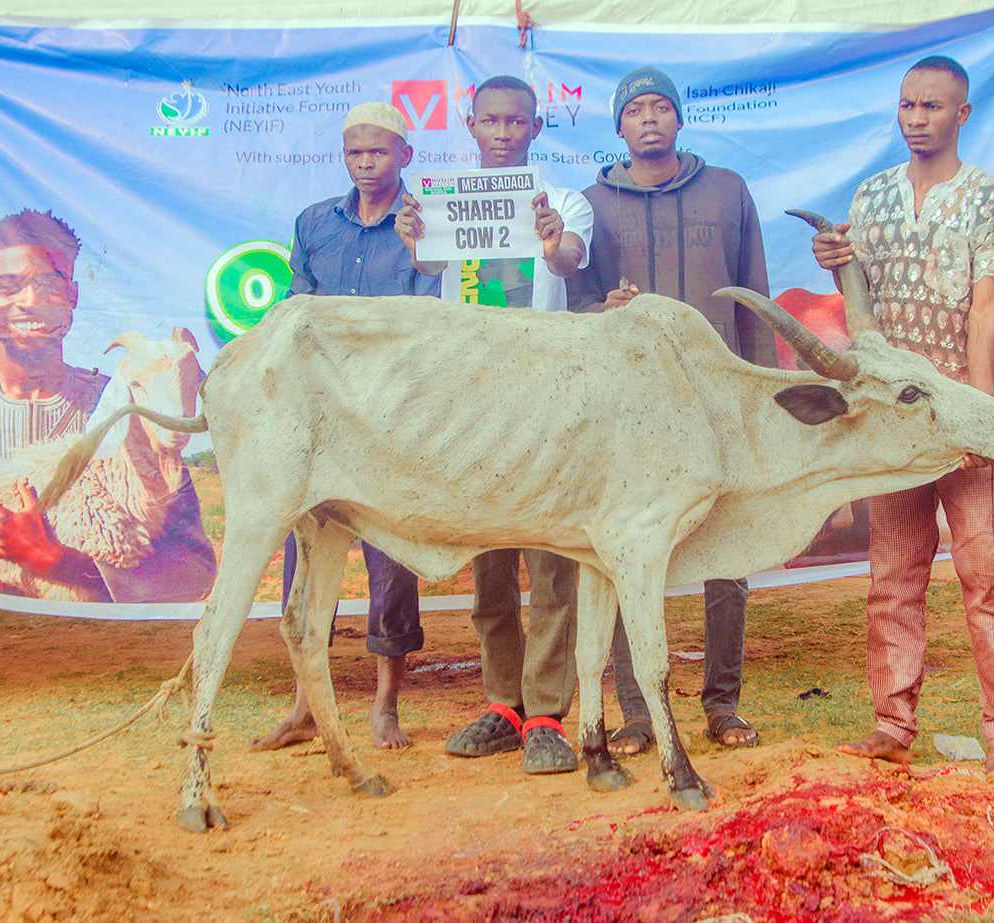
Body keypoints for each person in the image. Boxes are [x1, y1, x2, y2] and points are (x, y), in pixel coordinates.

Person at [811, 56, 994, 774]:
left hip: (964, 418)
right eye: (907, 106)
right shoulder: (871, 198)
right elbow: (861, 310)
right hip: (898, 425)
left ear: (962, 114)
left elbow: (989, 306)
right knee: (893, 576)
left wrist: (976, 416)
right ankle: (892, 725)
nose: (915, 119)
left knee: (987, 578)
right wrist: (833, 255)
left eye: (931, 107)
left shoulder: (989, 200)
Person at [567, 65, 776, 755]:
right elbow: (578, 307)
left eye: (661, 106)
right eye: (636, 110)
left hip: (718, 399)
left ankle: (723, 703)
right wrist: (607, 309)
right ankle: (633, 711)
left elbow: (755, 294)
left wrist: (763, 395)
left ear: (679, 119)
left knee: (730, 552)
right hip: (629, 411)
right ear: (619, 125)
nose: (649, 118)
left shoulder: (728, 190)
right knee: (627, 551)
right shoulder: (592, 202)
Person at [395, 75, 593, 774]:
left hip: (544, 399)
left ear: (537, 127)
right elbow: (426, 263)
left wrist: (552, 240)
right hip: (474, 402)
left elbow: (569, 260)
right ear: (470, 125)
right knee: (489, 563)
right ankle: (502, 705)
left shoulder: (565, 200)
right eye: (491, 122)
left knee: (550, 559)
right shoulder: (445, 202)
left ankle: (546, 714)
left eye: (516, 122)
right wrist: (414, 237)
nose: (503, 133)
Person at [0, 208, 216, 603]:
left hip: (95, 652)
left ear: (73, 295)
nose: (30, 302)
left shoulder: (127, 407)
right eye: (9, 287)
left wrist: (60, 563)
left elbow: (192, 568)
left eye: (50, 285)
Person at [249, 101, 439, 753]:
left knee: (391, 563)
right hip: (322, 421)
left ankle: (386, 707)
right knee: (305, 556)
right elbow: (297, 311)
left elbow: (427, 319)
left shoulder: (424, 226)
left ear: (404, 157)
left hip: (390, 419)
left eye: (379, 152)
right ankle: (305, 703)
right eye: (355, 152)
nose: (366, 163)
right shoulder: (313, 224)